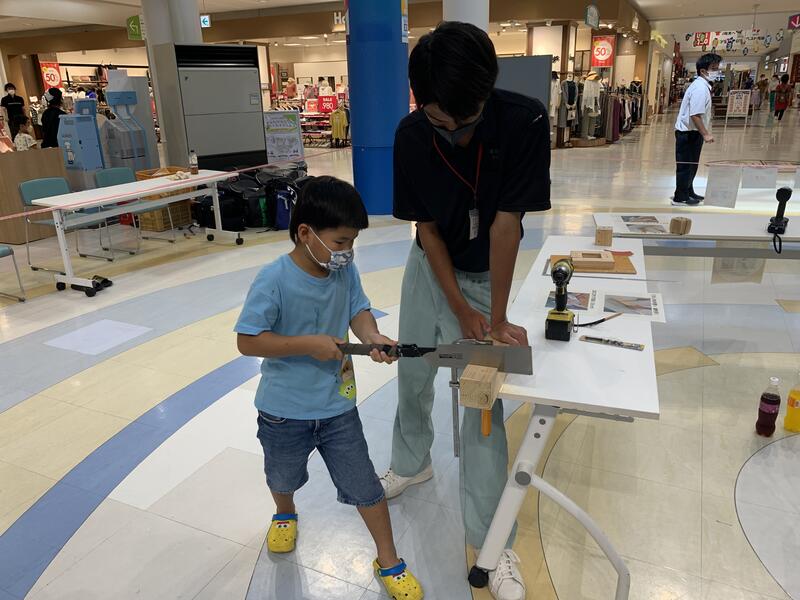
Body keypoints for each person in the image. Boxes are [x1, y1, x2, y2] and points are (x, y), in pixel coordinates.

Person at [384, 21, 551, 600]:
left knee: (481, 402)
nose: (454, 132)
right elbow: (426, 228)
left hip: (485, 273)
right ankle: (412, 460)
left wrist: (494, 316)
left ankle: (490, 544)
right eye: (440, 121)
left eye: (467, 120)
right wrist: (454, 305)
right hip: (428, 267)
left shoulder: (525, 120)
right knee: (411, 369)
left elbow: (507, 224)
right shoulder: (411, 136)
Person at [235, 176, 424, 600]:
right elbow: (248, 340)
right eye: (340, 242)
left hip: (338, 406)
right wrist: (308, 344)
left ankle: (389, 559)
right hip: (283, 411)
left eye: (352, 242)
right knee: (282, 475)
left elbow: (358, 309)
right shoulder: (274, 279)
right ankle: (285, 513)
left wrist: (373, 336)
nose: (347, 251)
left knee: (365, 485)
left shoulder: (344, 271)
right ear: (305, 233)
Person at [673, 53, 721, 207]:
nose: (717, 71)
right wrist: (706, 134)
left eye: (717, 68)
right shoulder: (700, 88)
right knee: (685, 166)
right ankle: (680, 197)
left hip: (693, 133)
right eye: (713, 68)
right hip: (688, 133)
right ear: (703, 71)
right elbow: (695, 114)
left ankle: (689, 190)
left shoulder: (702, 86)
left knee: (692, 164)